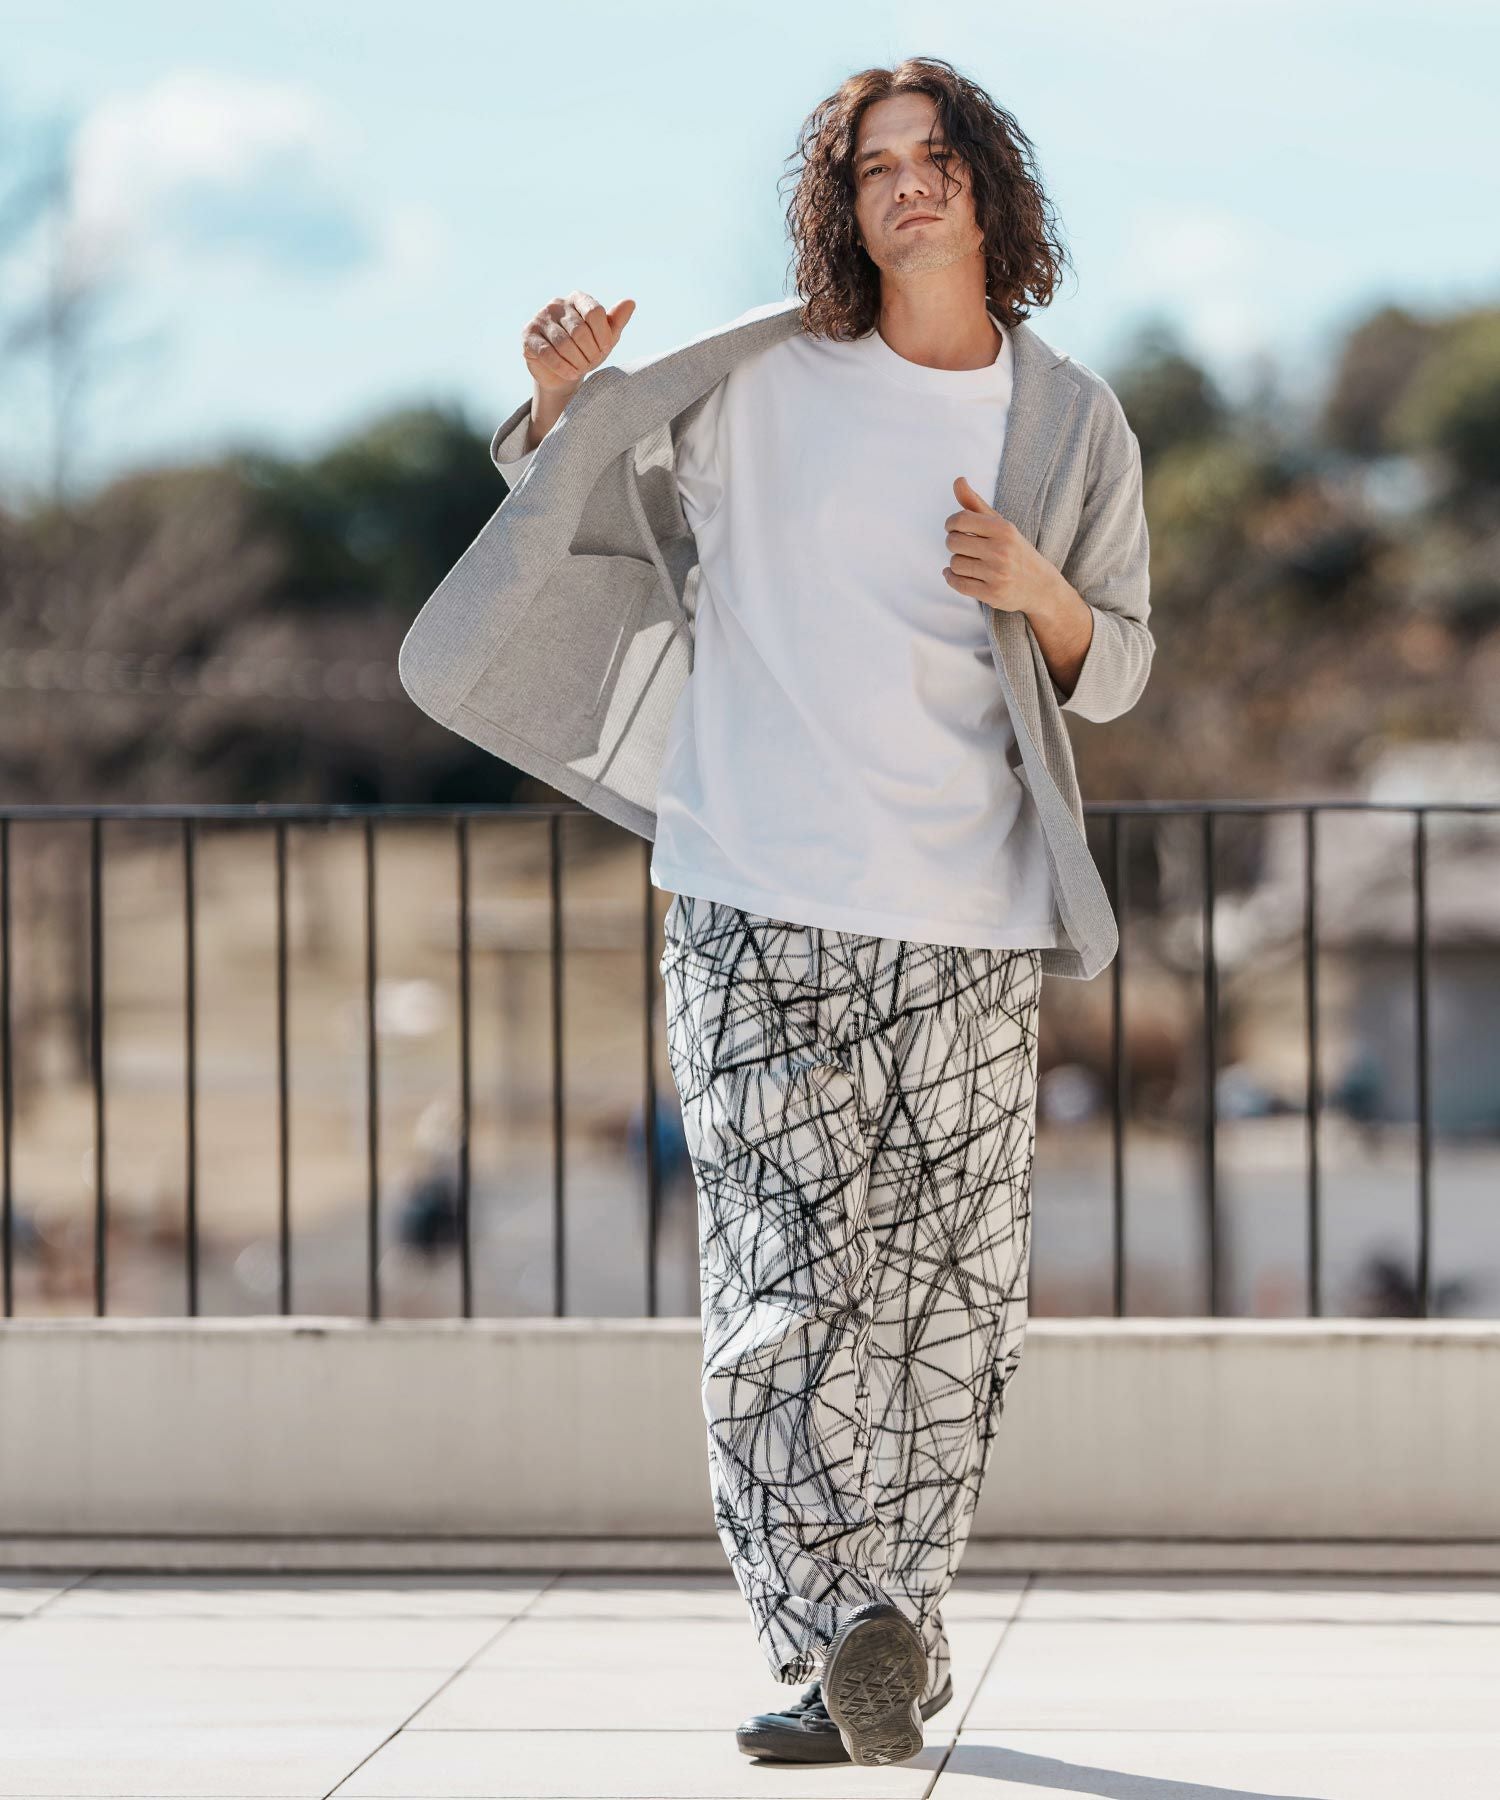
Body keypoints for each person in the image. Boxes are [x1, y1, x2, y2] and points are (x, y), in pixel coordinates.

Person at [416, 55, 1152, 1771]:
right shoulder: (760, 379)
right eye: (876, 164)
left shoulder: (1071, 420)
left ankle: (884, 1635)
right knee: (784, 1282)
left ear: (990, 187)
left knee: (948, 1304)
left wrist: (1040, 592)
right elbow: (590, 500)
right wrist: (556, 406)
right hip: (752, 896)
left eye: (937, 155)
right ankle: (836, 1628)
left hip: (972, 918)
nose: (911, 184)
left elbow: (1117, 667)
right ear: (845, 203)